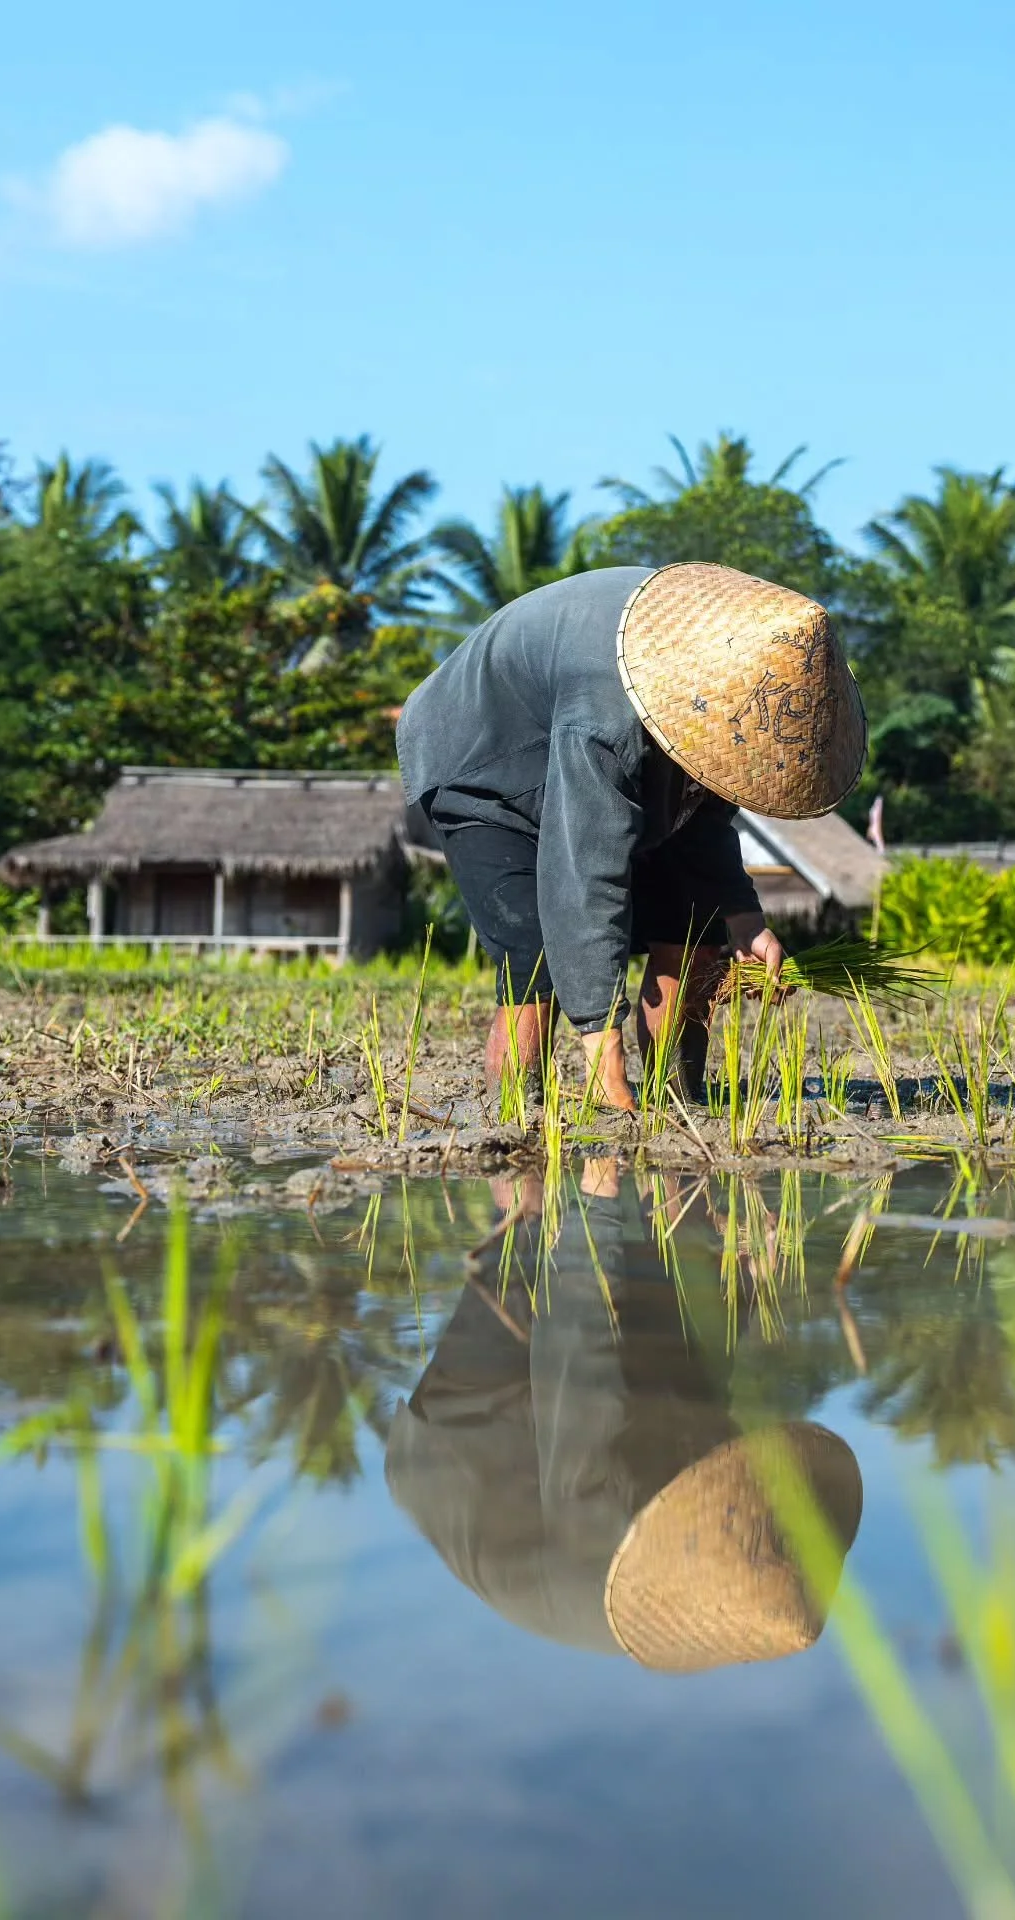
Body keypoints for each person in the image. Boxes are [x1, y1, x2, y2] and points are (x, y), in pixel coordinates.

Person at [395, 562, 865, 1109]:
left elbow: (705, 820)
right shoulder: (605, 716)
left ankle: (682, 1099)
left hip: (596, 743)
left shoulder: (731, 697)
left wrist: (743, 918)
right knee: (535, 963)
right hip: (483, 758)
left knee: (694, 935)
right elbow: (584, 873)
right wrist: (601, 1043)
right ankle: (516, 1129)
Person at [385, 1164, 863, 1670]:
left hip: (469, 1445)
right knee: (666, 1222)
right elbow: (698, 1394)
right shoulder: (711, 1535)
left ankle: (516, 1160)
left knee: (529, 1223)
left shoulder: (602, 1539)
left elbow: (577, 1353)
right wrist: (737, 1282)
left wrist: (597, 1194)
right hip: (586, 1451)